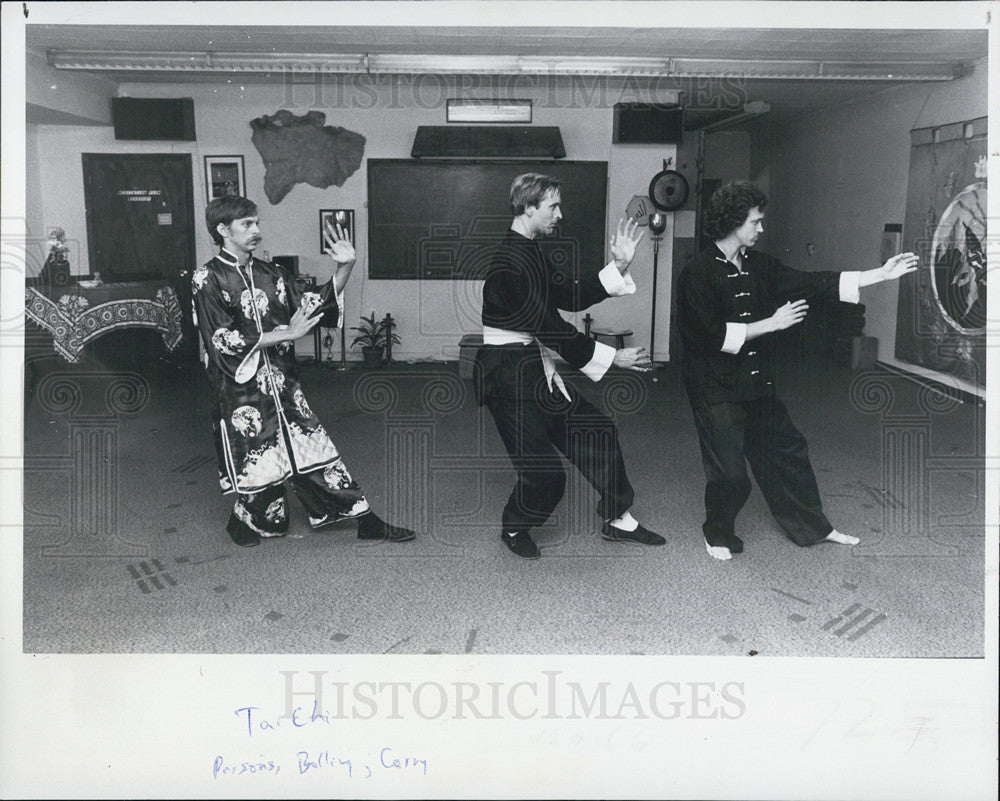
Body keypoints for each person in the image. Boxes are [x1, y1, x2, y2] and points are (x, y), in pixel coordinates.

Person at [676, 180, 918, 560]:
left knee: (787, 452)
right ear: (732, 222)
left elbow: (813, 283)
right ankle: (717, 531)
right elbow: (704, 337)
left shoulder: (760, 265)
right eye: (755, 221)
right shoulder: (697, 272)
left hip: (756, 381)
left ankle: (813, 527)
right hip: (715, 387)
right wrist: (770, 324)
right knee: (731, 475)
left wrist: (879, 275)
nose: (761, 228)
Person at [192, 195, 415, 547]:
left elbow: (316, 304)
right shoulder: (207, 278)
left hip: (283, 383)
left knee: (313, 445)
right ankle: (243, 517)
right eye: (247, 224)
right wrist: (285, 333)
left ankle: (365, 518)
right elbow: (220, 338)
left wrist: (344, 268)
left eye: (257, 222)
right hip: (240, 388)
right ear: (223, 229)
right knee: (262, 468)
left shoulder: (272, 274)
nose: (256, 230)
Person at [475, 172, 664, 559]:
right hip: (507, 377)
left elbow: (570, 294)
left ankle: (618, 517)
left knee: (598, 432)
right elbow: (550, 328)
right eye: (553, 206)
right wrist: (615, 357)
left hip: (531, 365)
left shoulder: (530, 250)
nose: (560, 214)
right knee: (546, 476)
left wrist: (618, 266)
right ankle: (514, 527)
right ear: (528, 207)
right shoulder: (511, 261)